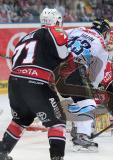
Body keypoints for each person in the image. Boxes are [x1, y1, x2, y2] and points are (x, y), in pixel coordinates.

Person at [0, 8, 70, 160]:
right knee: (58, 122)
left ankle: (1, 152)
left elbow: (14, 62)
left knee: (20, 119)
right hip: (36, 84)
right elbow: (64, 55)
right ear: (57, 21)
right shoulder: (56, 32)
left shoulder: (25, 37)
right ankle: (57, 158)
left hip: (14, 83)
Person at [56, 18, 111, 152]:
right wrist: (94, 86)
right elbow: (98, 74)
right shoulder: (102, 44)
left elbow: (57, 36)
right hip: (73, 68)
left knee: (75, 98)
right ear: (104, 32)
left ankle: (77, 129)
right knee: (88, 101)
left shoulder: (78, 29)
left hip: (54, 68)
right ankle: (82, 136)